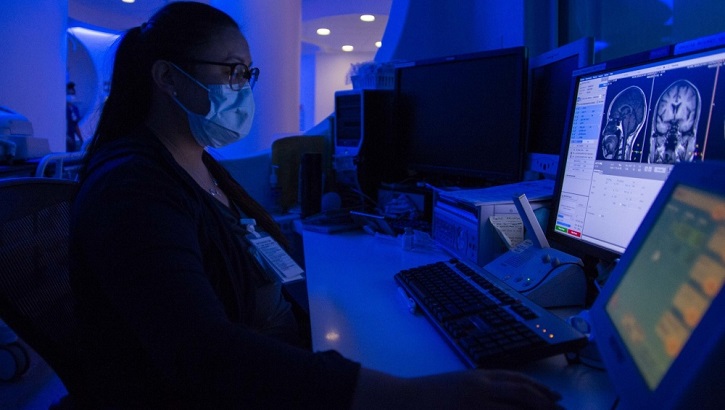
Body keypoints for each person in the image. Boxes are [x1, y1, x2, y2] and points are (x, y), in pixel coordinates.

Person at [69, 2, 563, 409]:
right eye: (232, 72)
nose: (244, 88)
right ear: (169, 79)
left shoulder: (194, 162)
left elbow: (254, 252)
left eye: (248, 73)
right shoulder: (131, 189)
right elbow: (204, 355)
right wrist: (407, 395)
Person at [66, 81, 84, 151]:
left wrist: (81, 139)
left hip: (72, 138)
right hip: (63, 139)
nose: (71, 96)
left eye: (73, 94)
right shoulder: (61, 109)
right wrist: (65, 136)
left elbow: (75, 125)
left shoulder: (74, 109)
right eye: (69, 94)